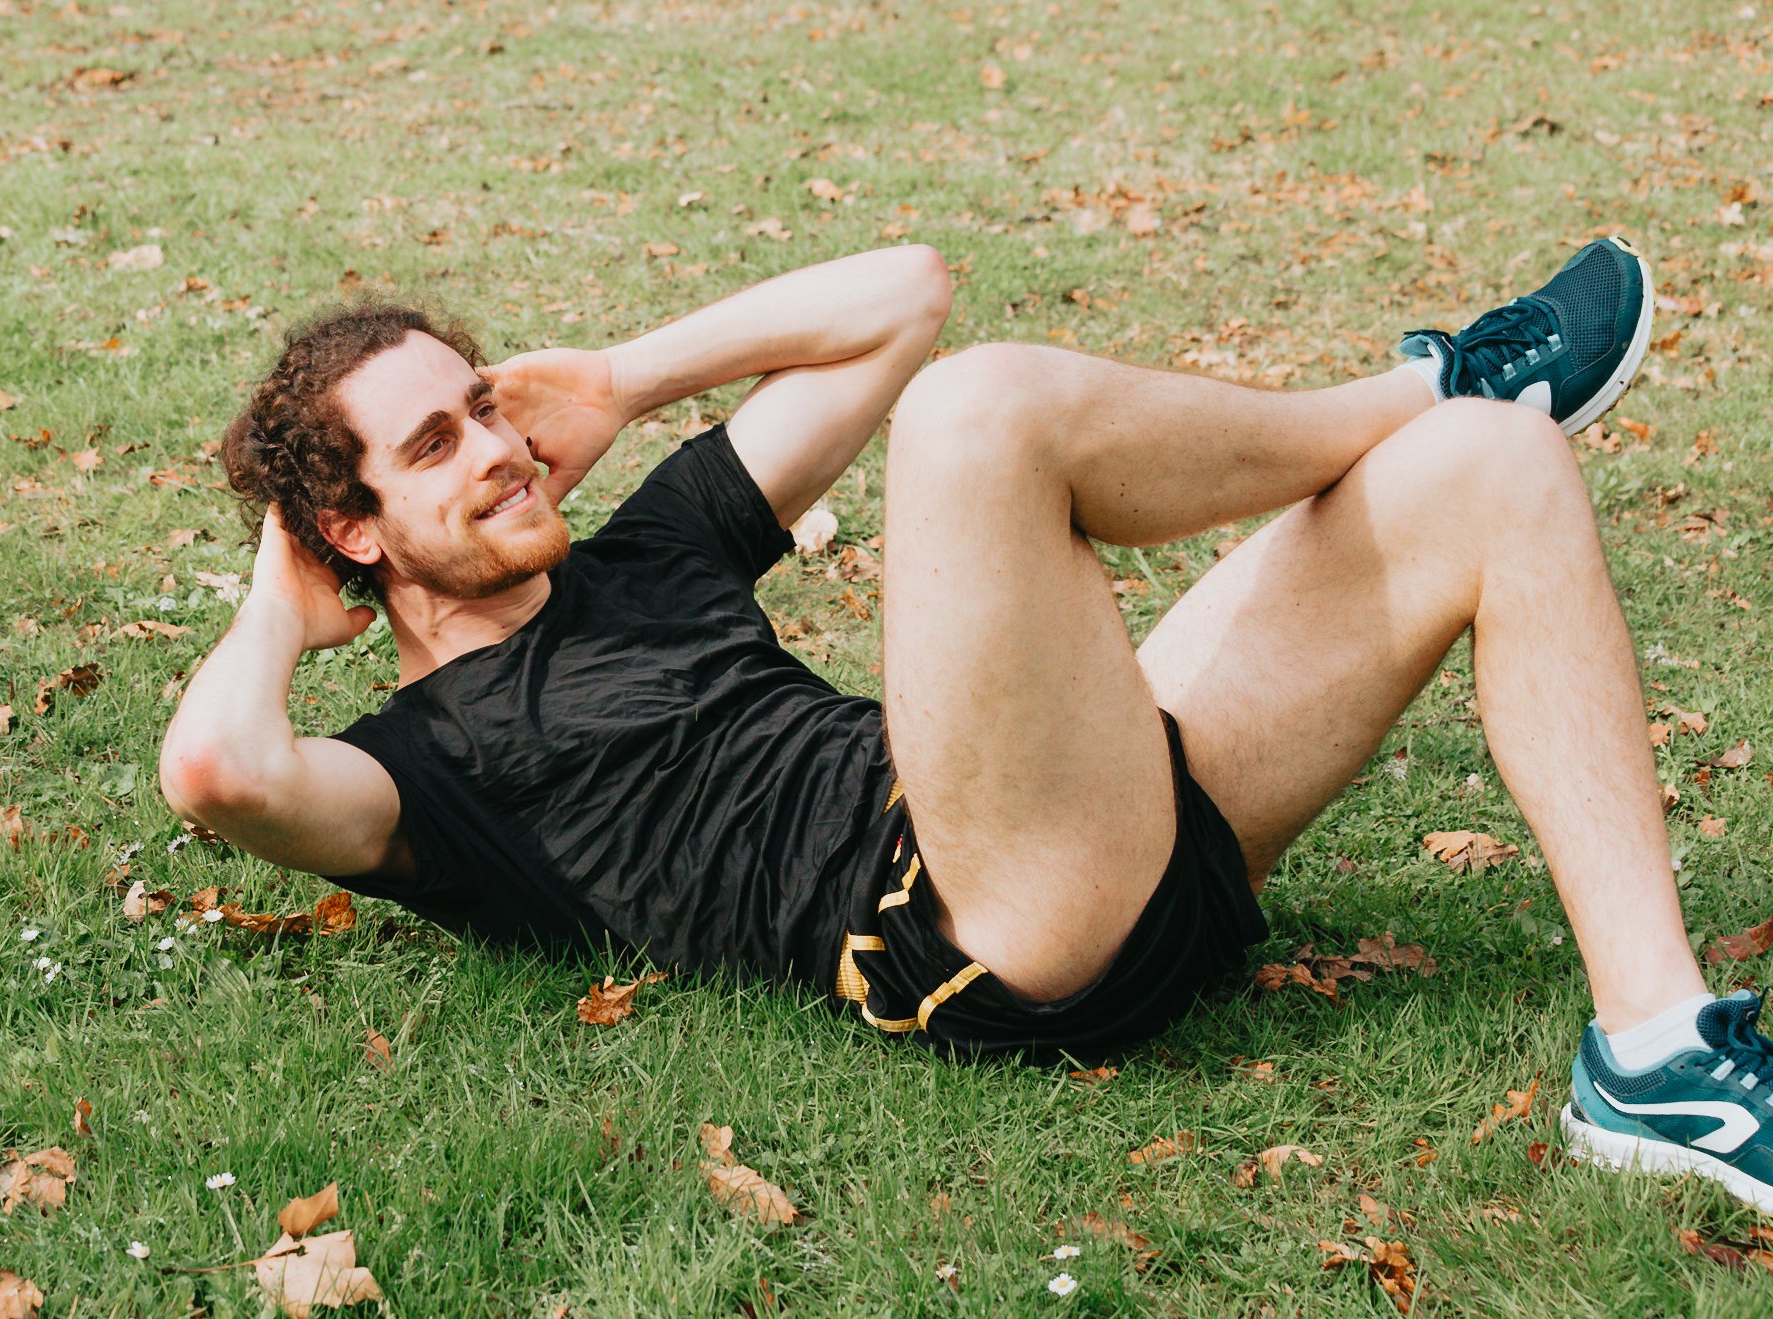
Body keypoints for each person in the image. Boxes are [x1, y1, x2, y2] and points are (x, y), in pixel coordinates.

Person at [159, 238, 1773, 1214]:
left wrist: (628, 377)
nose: (496, 452)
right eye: (433, 447)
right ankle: (1418, 383)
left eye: (485, 406)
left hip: (1121, 832)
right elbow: (220, 769)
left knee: (1499, 466)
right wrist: (278, 590)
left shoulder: (647, 544)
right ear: (353, 530)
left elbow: (899, 295)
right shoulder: (423, 768)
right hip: (965, 924)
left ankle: (1651, 1054)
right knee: (981, 417)